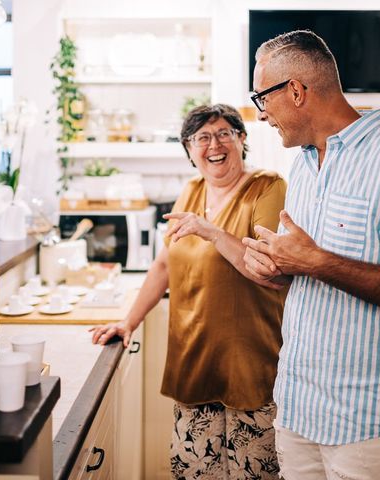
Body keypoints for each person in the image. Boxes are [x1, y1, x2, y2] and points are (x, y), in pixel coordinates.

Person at [242, 30, 380, 480]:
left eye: (263, 98)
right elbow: (308, 266)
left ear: (296, 91)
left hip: (369, 424)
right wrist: (278, 267)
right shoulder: (302, 164)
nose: (262, 115)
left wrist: (317, 261)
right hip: (299, 408)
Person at [91, 104, 287, 479]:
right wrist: (127, 321)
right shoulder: (192, 191)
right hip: (194, 364)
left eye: (224, 133)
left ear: (241, 140)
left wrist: (211, 232)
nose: (214, 144)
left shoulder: (268, 186)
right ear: (189, 148)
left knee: (256, 474)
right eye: (202, 137)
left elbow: (269, 271)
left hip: (251, 367)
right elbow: (165, 264)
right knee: (195, 473)